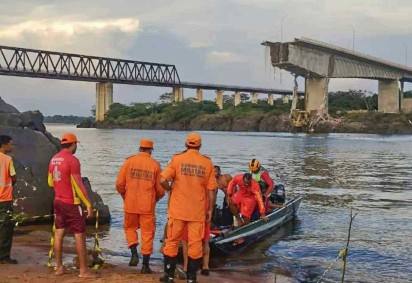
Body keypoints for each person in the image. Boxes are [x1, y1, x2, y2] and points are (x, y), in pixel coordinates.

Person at [160, 132, 217, 283]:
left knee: (171, 241)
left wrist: (170, 189)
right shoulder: (207, 163)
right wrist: (210, 209)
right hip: (197, 212)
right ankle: (192, 279)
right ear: (200, 146)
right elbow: (211, 190)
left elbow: (162, 180)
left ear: (186, 144)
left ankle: (169, 276)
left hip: (177, 210)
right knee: (195, 245)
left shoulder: (177, 160)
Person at [47, 133, 97, 278]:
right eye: (76, 144)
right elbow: (78, 184)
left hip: (58, 201)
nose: (76, 147)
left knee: (59, 233)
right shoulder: (73, 160)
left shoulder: (54, 159)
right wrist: (88, 204)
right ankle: (83, 270)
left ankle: (59, 268)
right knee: (79, 235)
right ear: (73, 144)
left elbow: (50, 182)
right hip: (71, 203)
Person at [116, 139, 164, 274]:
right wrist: (156, 199)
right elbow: (160, 190)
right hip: (147, 206)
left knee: (129, 228)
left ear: (140, 148)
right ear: (150, 150)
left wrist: (125, 196)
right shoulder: (155, 165)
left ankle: (134, 254)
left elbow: (119, 184)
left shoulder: (129, 162)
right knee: (147, 234)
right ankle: (145, 266)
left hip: (130, 203)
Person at [0, 135, 17, 264]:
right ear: (4, 145)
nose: (12, 146)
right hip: (4, 198)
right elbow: (13, 177)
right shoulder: (7, 159)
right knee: (6, 228)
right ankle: (4, 256)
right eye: (10, 144)